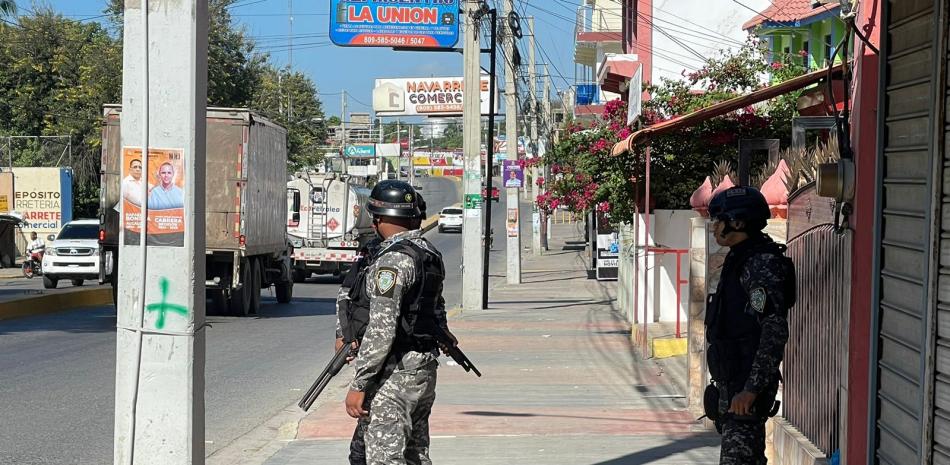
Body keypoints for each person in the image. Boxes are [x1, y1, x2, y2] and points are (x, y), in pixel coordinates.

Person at [342, 181, 455, 465]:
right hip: (423, 369)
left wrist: (360, 383)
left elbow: (381, 330)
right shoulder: (427, 253)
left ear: (378, 219)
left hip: (395, 374)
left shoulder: (391, 262)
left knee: (384, 458)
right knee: (415, 455)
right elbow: (435, 311)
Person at [704, 186, 795, 465]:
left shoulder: (759, 264)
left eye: (720, 219)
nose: (715, 227)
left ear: (738, 222)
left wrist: (751, 389)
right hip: (734, 384)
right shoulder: (740, 258)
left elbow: (773, 329)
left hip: (746, 389)